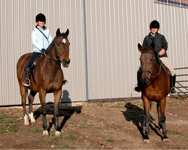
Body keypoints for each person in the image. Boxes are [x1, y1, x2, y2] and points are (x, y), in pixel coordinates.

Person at [135, 20, 176, 93]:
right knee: (140, 70)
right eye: (152, 28)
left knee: (172, 71)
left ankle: (172, 87)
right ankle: (139, 86)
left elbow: (165, 47)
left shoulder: (161, 37)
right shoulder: (146, 38)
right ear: (150, 28)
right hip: (150, 58)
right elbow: (144, 48)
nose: (154, 29)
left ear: (158, 29)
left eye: (155, 28)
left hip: (161, 57)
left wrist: (159, 54)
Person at [23, 13, 53, 87]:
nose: (41, 22)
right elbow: (34, 42)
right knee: (29, 63)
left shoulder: (47, 31)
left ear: (45, 22)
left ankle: (60, 79)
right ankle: (27, 79)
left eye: (43, 21)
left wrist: (48, 49)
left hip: (47, 51)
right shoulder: (34, 31)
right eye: (40, 21)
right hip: (37, 51)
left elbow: (50, 40)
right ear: (37, 22)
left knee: (56, 61)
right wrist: (41, 48)